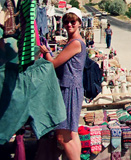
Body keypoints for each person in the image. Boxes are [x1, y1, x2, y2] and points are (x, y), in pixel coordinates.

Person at [40, 7, 86, 160]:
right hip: (71, 88)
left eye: (73, 21)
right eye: (66, 22)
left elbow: (52, 64)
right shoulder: (73, 42)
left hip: (69, 90)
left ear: (79, 23)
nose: (69, 25)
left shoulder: (75, 43)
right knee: (72, 133)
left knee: (62, 135)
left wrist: (45, 51)